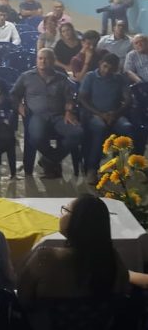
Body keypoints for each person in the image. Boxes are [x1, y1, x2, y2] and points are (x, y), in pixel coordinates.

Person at [17, 194, 129, 308]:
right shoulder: (113, 260)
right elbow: (122, 295)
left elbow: (23, 299)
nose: (60, 215)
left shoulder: (45, 259)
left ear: (77, 220)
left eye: (65, 210)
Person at [10, 48, 83, 178]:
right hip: (36, 116)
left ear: (53, 61)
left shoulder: (61, 78)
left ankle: (48, 160)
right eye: (40, 58)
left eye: (47, 59)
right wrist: (19, 105)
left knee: (78, 132)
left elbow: (70, 98)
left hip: (58, 116)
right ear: (36, 60)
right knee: (36, 138)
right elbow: (13, 95)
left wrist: (69, 111)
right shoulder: (26, 77)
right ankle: (53, 160)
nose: (43, 61)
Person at [79, 53, 133, 184]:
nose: (107, 70)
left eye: (111, 68)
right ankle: (92, 169)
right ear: (100, 64)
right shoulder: (90, 77)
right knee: (100, 128)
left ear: (116, 68)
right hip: (94, 114)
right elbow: (82, 98)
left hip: (115, 114)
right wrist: (100, 114)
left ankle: (118, 166)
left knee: (127, 127)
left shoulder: (120, 79)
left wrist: (116, 113)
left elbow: (128, 99)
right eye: (105, 66)